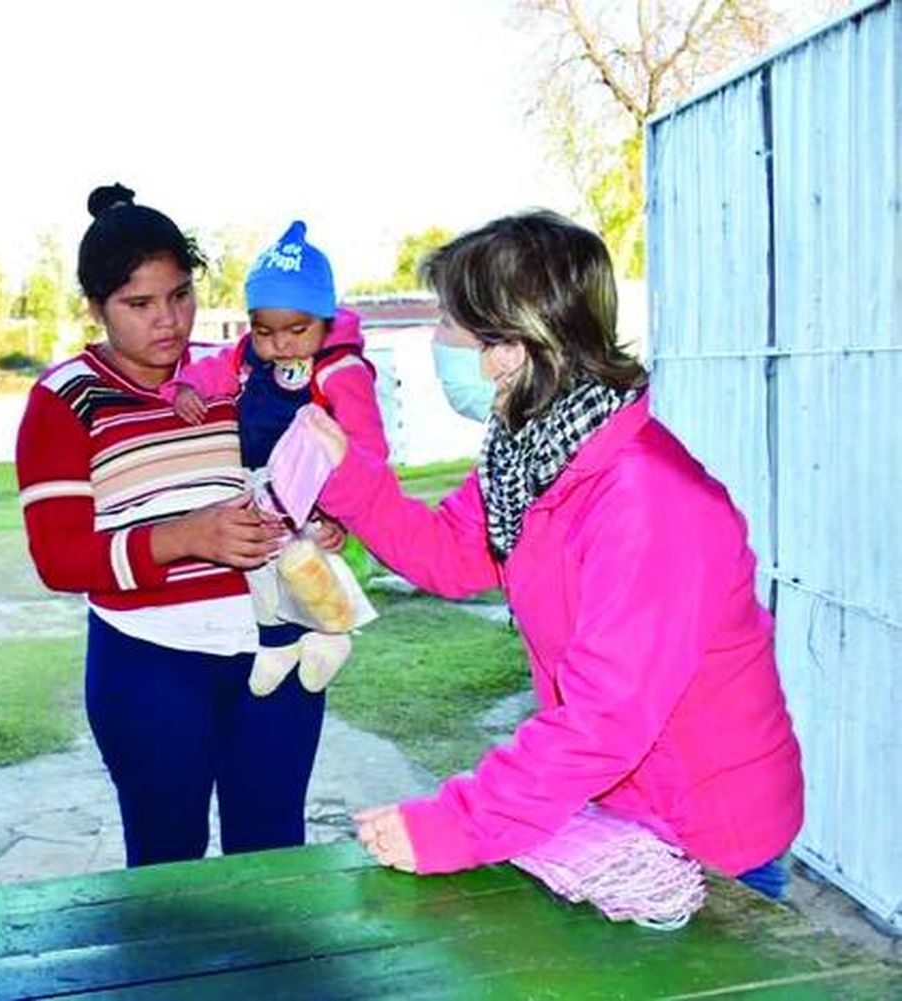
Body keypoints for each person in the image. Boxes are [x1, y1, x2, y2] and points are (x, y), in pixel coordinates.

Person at [309, 210, 802, 892]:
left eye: (451, 322)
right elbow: (453, 553)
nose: (439, 342)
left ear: (510, 345)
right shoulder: (529, 457)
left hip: (708, 842)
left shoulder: (649, 501)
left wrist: (453, 823)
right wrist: (344, 474)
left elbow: (605, 718)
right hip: (623, 812)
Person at [15, 183, 325, 867]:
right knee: (165, 865)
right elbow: (60, 556)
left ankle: (268, 973)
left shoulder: (239, 377)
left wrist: (322, 523)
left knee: (275, 860)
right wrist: (189, 537)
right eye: (139, 304)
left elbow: (308, 467)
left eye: (181, 294)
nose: (169, 320)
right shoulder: (64, 399)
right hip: (147, 663)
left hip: (277, 653)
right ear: (96, 307)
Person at [161, 220, 388, 696]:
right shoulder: (250, 355)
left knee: (307, 563)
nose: (279, 344)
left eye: (295, 330)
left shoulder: (341, 370)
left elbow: (367, 448)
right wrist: (186, 385)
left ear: (325, 319)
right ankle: (276, 638)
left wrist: (337, 511)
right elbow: (217, 366)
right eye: (264, 331)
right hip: (260, 482)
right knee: (256, 560)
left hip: (316, 488)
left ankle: (332, 633)